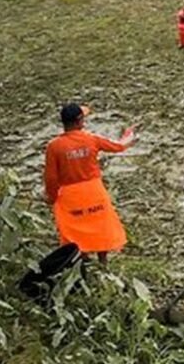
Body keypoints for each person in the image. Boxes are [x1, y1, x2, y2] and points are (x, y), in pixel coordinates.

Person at [44, 103, 137, 263]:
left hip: (70, 195)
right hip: (93, 192)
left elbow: (51, 178)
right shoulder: (91, 139)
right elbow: (119, 146)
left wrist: (52, 198)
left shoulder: (54, 147)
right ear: (79, 121)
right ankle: (103, 262)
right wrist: (129, 134)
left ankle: (82, 259)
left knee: (75, 230)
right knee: (100, 226)